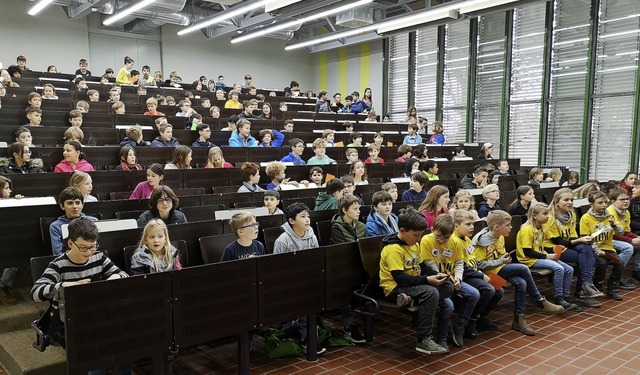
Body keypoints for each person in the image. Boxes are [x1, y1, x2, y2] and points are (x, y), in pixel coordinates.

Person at [32, 218, 129, 371]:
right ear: (70, 244)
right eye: (83, 248)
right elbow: (36, 293)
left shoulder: (99, 256)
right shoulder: (58, 265)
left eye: (93, 246)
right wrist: (65, 286)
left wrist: (113, 279)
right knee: (95, 347)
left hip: (97, 316)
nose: (89, 252)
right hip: (70, 322)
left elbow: (122, 274)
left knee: (125, 341)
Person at [472, 210, 564, 336]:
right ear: (497, 227)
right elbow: (479, 265)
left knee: (521, 282)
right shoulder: (481, 243)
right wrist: (500, 261)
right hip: (489, 275)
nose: (511, 227)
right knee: (522, 268)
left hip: (500, 270)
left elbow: (500, 257)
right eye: (508, 225)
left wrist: (504, 259)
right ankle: (539, 299)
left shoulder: (501, 237)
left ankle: (519, 320)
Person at [379, 207, 452, 355]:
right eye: (416, 235)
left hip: (412, 285)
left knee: (448, 287)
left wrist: (437, 275)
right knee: (431, 292)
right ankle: (423, 338)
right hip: (395, 288)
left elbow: (421, 267)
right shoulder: (393, 249)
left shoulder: (414, 244)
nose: (419, 239)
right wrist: (427, 280)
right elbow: (400, 278)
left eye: (420, 235)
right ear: (403, 230)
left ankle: (411, 300)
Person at [421, 214, 477, 348]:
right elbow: (430, 266)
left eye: (446, 238)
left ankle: (459, 325)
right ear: (432, 229)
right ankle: (441, 338)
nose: (441, 240)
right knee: (449, 306)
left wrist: (458, 278)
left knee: (474, 294)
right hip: (437, 280)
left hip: (452, 279)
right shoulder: (426, 240)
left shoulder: (455, 242)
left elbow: (459, 263)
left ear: (452, 234)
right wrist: (449, 279)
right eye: (438, 236)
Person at [516, 202, 582, 311]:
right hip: (529, 260)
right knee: (559, 268)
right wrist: (546, 257)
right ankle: (558, 297)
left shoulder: (542, 228)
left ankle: (566, 297)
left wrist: (555, 248)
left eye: (548, 214)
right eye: (545, 214)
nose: (548, 216)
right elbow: (527, 252)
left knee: (569, 269)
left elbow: (541, 246)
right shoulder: (527, 230)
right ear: (534, 215)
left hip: (540, 256)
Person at [453, 210, 502, 335]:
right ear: (456, 226)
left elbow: (472, 261)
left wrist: (479, 272)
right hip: (464, 276)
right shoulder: (454, 241)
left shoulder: (467, 240)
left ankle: (481, 317)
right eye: (468, 224)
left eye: (473, 224)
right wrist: (481, 275)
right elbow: (461, 266)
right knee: (488, 289)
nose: (472, 227)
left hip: (474, 272)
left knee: (499, 290)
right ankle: (470, 320)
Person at [327, 194, 367, 344]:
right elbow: (342, 251)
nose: (358, 212)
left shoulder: (361, 226)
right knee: (344, 287)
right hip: (342, 268)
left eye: (359, 208)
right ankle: (349, 326)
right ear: (344, 210)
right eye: (355, 209)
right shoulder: (336, 227)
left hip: (359, 266)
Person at [580, 191, 628, 300]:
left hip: (608, 248)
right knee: (602, 263)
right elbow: (586, 239)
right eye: (600, 202)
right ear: (592, 204)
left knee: (620, 263)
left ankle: (613, 289)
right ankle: (597, 287)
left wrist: (614, 224)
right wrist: (597, 251)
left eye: (605, 202)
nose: (604, 205)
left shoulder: (610, 216)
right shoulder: (586, 218)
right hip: (593, 248)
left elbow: (620, 233)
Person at [49, 187, 99, 255]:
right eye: (70, 203)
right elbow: (58, 253)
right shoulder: (55, 226)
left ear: (82, 205)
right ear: (62, 206)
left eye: (77, 203)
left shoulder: (93, 221)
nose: (75, 206)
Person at [606, 189, 640, 285]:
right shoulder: (610, 212)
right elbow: (613, 235)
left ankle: (637, 272)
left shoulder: (626, 212)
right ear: (613, 201)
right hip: (608, 240)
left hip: (617, 238)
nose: (626, 201)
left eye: (627, 199)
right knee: (628, 248)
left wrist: (636, 237)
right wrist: (631, 240)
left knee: (638, 245)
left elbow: (627, 231)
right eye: (622, 199)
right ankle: (616, 278)